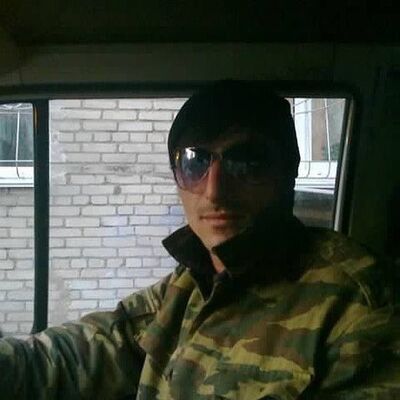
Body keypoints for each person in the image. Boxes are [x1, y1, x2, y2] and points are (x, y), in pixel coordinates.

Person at [0, 80, 399, 399]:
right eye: (195, 162)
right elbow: (88, 350)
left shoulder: (361, 306)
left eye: (247, 162)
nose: (215, 191)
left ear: (287, 170)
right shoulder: (192, 282)